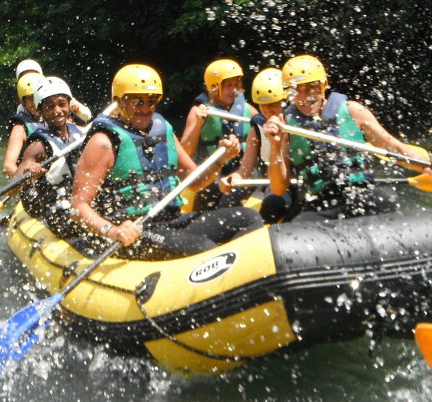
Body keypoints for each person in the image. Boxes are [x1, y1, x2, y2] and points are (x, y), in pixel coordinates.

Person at [71, 64, 263, 260]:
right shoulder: (103, 142)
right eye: (138, 101)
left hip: (172, 219)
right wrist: (112, 231)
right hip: (136, 230)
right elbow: (78, 206)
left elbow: (196, 181)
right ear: (119, 102)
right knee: (204, 248)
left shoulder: (164, 130)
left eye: (152, 101)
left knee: (249, 218)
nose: (146, 108)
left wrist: (220, 161)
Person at [262, 54, 432, 222]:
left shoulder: (353, 111)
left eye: (312, 87)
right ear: (288, 93)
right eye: (297, 90)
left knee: (386, 198)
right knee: (300, 225)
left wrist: (430, 162)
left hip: (362, 196)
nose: (306, 96)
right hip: (322, 205)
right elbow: (279, 188)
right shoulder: (285, 125)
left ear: (324, 85)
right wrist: (275, 146)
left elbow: (397, 150)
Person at [179, 58, 260, 211]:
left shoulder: (247, 109)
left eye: (236, 84)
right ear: (214, 87)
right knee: (212, 187)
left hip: (240, 170)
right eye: (228, 85)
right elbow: (185, 153)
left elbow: (264, 139)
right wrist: (197, 124)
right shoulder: (199, 110)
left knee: (249, 177)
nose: (234, 90)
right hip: (211, 171)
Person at [220, 67, 298, 223]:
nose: (268, 111)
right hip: (278, 186)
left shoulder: (299, 124)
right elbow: (244, 170)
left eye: (273, 104)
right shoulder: (256, 131)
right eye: (263, 106)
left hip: (303, 182)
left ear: (285, 101)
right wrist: (231, 179)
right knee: (272, 206)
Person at [13, 76, 86, 240]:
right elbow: (13, 185)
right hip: (51, 204)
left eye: (62, 104)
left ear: (69, 104)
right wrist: (29, 173)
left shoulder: (78, 131)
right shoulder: (38, 145)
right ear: (40, 111)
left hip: (73, 198)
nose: (57, 110)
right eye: (49, 106)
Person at [3, 60, 93, 176]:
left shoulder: (62, 120)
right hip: (37, 179)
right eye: (29, 98)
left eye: (61, 104)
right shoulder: (22, 129)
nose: (57, 111)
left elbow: (83, 128)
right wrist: (27, 177)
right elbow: (8, 167)